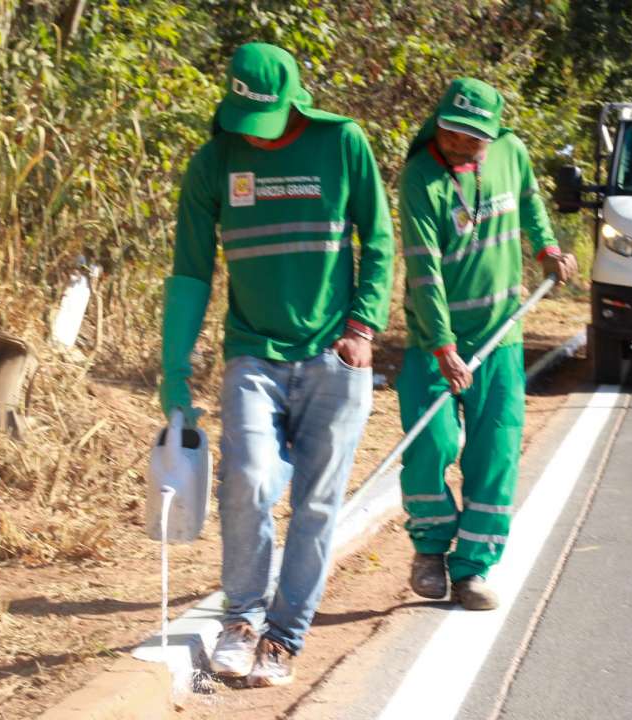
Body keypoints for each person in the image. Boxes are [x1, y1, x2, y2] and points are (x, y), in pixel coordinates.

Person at [160, 42, 393, 687]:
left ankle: (284, 638)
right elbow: (190, 270)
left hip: (334, 355)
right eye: (246, 124)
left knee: (317, 506)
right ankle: (240, 621)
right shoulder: (214, 162)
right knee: (248, 482)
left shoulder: (342, 143)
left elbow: (378, 238)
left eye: (266, 123)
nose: (256, 138)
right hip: (252, 352)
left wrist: (362, 326)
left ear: (294, 102)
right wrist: (173, 369)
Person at [397, 78, 577, 610]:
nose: (459, 144)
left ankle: (472, 568)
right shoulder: (420, 177)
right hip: (434, 341)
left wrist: (547, 249)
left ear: (493, 135)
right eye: (451, 132)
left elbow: (530, 204)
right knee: (430, 445)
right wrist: (443, 346)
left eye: (473, 138)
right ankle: (430, 548)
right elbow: (424, 270)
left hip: (500, 337)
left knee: (495, 453)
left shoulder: (511, 153)